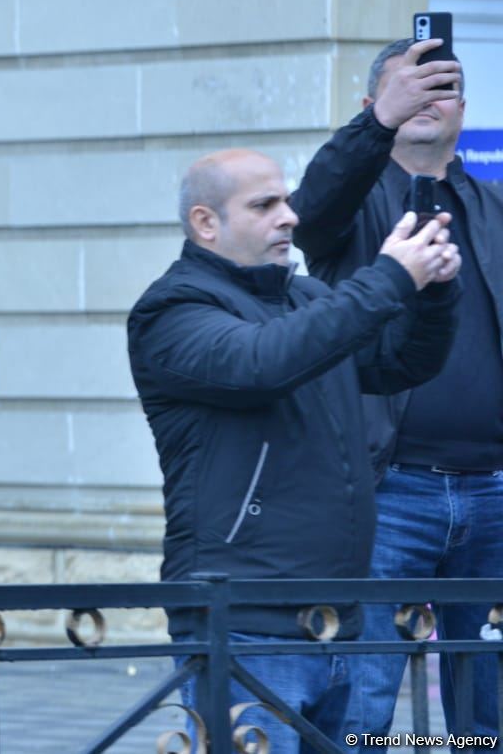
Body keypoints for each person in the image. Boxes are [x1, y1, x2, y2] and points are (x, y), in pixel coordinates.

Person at [127, 148, 460, 753]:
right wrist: (389, 275)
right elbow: (263, 363)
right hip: (245, 621)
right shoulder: (171, 311)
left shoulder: (307, 298)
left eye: (285, 200)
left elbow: (401, 363)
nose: (289, 217)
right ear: (206, 222)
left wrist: (435, 291)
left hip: (340, 619)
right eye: (264, 205)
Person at [289, 36, 503, 736]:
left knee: (490, 714)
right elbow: (311, 207)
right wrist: (377, 125)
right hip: (388, 490)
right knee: (363, 701)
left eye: (442, 86)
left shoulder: (494, 206)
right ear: (371, 104)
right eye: (407, 84)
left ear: (464, 109)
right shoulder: (348, 206)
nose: (425, 98)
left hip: (494, 492)